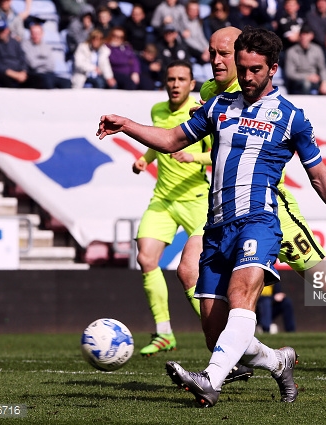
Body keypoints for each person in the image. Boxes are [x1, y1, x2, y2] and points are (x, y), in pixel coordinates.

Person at [98, 26, 326, 406]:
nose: (217, 62)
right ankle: (267, 359)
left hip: (272, 213)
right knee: (202, 298)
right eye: (215, 54)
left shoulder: (287, 114)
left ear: (267, 67)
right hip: (222, 217)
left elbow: (317, 173)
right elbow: (177, 140)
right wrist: (129, 128)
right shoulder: (212, 98)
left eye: (224, 54)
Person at [131, 60, 209, 357]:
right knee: (146, 257)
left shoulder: (202, 112)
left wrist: (195, 160)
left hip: (197, 199)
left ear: (192, 85)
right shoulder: (157, 111)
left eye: (181, 79)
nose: (175, 84)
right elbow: (158, 141)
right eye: (171, 79)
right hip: (163, 198)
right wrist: (145, 160)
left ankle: (218, 329)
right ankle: (164, 332)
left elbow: (221, 152)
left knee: (193, 269)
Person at [21, 22, 72, 89]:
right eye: (34, 33)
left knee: (67, 83)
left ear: (42, 34)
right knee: (47, 81)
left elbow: (51, 65)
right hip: (33, 74)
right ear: (30, 34)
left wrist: (39, 60)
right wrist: (45, 61)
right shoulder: (25, 45)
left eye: (38, 33)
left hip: (48, 74)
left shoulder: (46, 46)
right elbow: (32, 64)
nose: (36, 35)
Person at [283, 23, 326, 95]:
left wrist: (325, 81)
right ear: (299, 36)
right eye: (303, 34)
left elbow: (322, 68)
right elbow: (290, 73)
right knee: (306, 84)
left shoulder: (317, 49)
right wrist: (307, 77)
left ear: (311, 36)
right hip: (298, 81)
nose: (304, 37)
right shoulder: (291, 51)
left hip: (315, 79)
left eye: (307, 34)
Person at [0, 19, 28, 88]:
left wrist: (23, 71)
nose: (1, 33)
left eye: (3, 30)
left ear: (7, 30)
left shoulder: (14, 42)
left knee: (38, 79)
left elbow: (22, 58)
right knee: (5, 81)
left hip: (19, 72)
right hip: (4, 74)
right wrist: (14, 75)